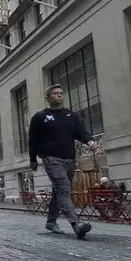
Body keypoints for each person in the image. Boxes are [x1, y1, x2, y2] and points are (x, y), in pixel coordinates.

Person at [29, 84, 97, 239]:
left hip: (69, 158)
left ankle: (51, 221)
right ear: (48, 97)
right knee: (64, 188)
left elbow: (81, 132)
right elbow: (33, 140)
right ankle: (76, 224)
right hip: (51, 158)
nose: (59, 95)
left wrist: (90, 142)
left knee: (58, 191)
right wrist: (32, 159)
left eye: (61, 93)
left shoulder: (70, 116)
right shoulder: (40, 117)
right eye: (55, 93)